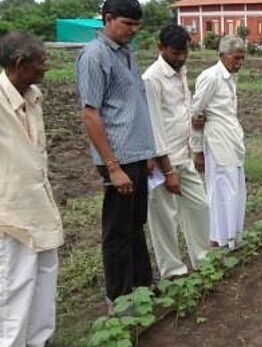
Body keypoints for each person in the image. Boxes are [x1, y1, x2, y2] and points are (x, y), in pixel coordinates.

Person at [0, 32, 71, 347]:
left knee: (45, 272)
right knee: (15, 280)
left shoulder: (33, 97)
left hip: (39, 200)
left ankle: (37, 343)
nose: (46, 67)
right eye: (40, 61)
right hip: (9, 208)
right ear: (19, 64)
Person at [76, 0, 157, 311]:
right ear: (108, 19)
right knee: (118, 231)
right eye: (127, 24)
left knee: (136, 224)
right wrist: (112, 166)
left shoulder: (126, 52)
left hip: (136, 155)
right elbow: (91, 114)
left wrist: (147, 153)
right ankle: (120, 298)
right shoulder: (94, 56)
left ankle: (142, 286)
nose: (133, 31)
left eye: (137, 25)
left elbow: (132, 106)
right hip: (117, 160)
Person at [142, 25, 210, 279]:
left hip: (184, 152)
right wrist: (167, 169)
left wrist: (195, 125)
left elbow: (181, 111)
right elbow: (154, 124)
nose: (181, 58)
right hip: (162, 160)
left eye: (185, 52)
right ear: (160, 48)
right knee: (164, 219)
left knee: (199, 206)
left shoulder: (180, 71)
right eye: (175, 53)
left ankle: (203, 260)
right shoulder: (151, 79)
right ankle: (173, 271)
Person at [191, 36, 246, 249]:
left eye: (242, 58)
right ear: (222, 56)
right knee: (220, 189)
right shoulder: (211, 77)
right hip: (216, 140)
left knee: (235, 189)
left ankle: (232, 236)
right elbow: (195, 114)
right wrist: (197, 150)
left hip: (231, 138)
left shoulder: (230, 78)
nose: (239, 63)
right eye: (235, 58)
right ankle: (218, 239)